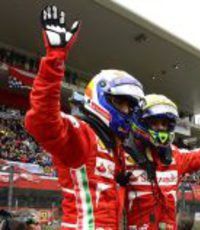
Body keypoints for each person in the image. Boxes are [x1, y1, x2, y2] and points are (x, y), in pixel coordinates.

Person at [25, 5, 144, 230]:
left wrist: (119, 184)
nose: (127, 111)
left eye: (130, 106)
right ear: (100, 99)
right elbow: (40, 120)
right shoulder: (81, 134)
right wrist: (54, 59)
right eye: (121, 102)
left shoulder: (112, 146)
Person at [123, 94, 200, 230]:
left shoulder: (175, 156)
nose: (161, 128)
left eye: (164, 124)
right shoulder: (124, 156)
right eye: (155, 123)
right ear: (141, 122)